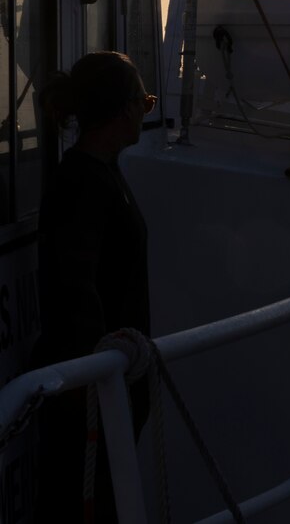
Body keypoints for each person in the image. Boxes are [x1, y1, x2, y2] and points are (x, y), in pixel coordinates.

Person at [32, 51, 156, 522]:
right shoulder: (82, 183)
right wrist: (101, 372)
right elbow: (75, 289)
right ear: (123, 110)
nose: (146, 110)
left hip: (110, 384)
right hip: (94, 393)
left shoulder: (101, 172)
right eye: (145, 101)